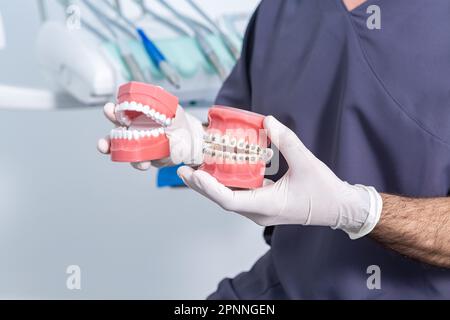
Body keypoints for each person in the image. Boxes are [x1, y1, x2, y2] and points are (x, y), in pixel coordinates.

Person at [98, 0, 450, 299]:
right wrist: (198, 142)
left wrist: (359, 210)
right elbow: (262, 152)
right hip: (287, 283)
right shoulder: (279, 12)